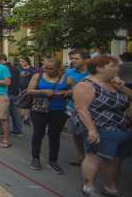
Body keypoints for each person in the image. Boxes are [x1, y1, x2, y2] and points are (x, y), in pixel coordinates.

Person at [74, 56, 132, 197]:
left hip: (121, 129)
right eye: (112, 66)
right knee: (94, 158)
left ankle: (110, 187)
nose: (116, 68)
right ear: (99, 68)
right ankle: (89, 186)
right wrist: (92, 130)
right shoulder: (86, 85)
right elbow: (82, 109)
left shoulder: (115, 83)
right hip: (101, 129)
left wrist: (122, 87)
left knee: (115, 159)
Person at [27, 58, 70, 174]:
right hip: (39, 110)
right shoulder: (38, 76)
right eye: (45, 67)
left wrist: (66, 93)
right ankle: (35, 158)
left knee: (54, 136)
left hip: (58, 110)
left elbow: (74, 90)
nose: (47, 70)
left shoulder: (66, 78)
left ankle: (53, 161)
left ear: (58, 68)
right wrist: (44, 92)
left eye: (51, 68)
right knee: (38, 133)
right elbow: (29, 91)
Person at [65, 50, 91, 167]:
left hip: (92, 108)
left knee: (90, 133)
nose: (73, 61)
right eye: (72, 59)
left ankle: (92, 158)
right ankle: (81, 156)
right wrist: (67, 87)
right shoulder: (69, 72)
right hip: (73, 107)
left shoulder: (94, 72)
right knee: (76, 134)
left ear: (86, 60)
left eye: (76, 58)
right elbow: (63, 89)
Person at [0, 54, 22, 137]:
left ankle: (4, 131)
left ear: (1, 60)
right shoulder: (15, 68)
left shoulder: (3, 68)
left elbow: (5, 81)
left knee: (4, 113)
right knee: (15, 113)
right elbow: (18, 80)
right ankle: (18, 131)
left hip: (6, 93)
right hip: (15, 93)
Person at [18, 57, 36, 125]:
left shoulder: (32, 69)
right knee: (20, 102)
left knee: (28, 103)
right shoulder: (18, 68)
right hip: (20, 87)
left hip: (28, 88)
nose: (21, 63)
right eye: (20, 61)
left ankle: (26, 118)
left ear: (27, 62)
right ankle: (21, 115)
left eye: (22, 61)